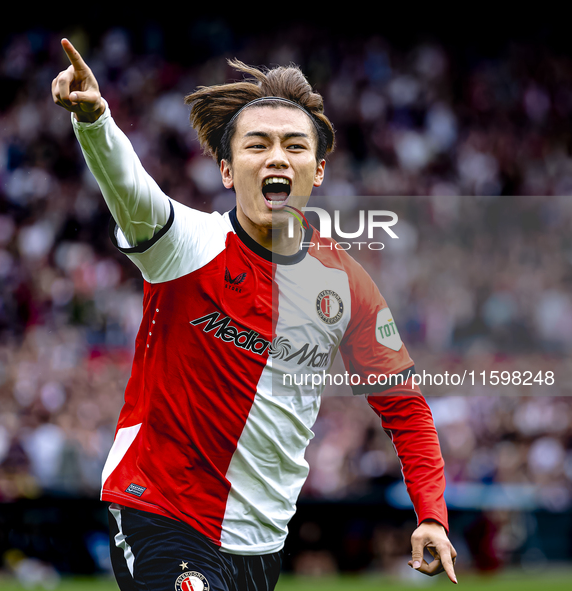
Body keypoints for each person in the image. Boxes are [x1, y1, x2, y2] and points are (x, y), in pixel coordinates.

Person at [52, 38, 458, 590]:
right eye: (257, 145)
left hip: (261, 542)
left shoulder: (346, 284)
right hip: (161, 512)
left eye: (294, 146)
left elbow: (405, 406)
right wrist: (95, 120)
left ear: (317, 172)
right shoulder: (185, 244)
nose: (275, 157)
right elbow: (129, 189)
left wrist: (431, 513)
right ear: (226, 170)